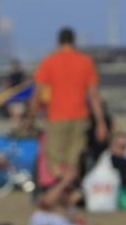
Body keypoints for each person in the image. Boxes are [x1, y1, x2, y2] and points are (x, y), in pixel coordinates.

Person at [30, 27, 108, 183]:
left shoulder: (50, 61)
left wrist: (30, 116)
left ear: (58, 42)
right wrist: (101, 122)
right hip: (80, 117)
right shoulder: (86, 62)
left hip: (57, 117)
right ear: (74, 41)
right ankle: (68, 190)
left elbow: (37, 93)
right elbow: (94, 95)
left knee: (53, 157)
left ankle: (60, 188)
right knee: (74, 160)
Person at [29, 171, 100, 225]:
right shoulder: (51, 200)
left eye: (70, 191)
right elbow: (46, 202)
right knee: (51, 224)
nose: (67, 193)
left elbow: (79, 221)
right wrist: (64, 182)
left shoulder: (70, 207)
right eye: (66, 191)